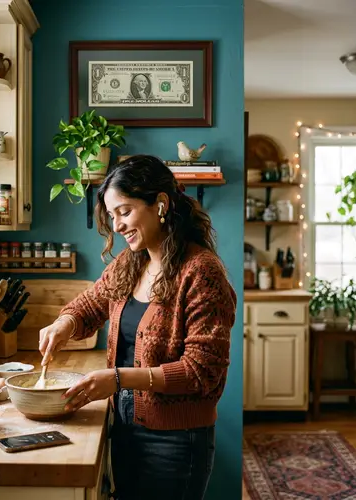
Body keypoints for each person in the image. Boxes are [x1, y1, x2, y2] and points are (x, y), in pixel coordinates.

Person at [39, 154, 237, 500]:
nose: (117, 226)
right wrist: (63, 323)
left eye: (125, 211)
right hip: (126, 427)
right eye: (112, 215)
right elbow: (92, 302)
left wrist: (118, 378)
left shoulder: (202, 272)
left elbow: (202, 371)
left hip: (177, 442)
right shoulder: (132, 262)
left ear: (160, 204)